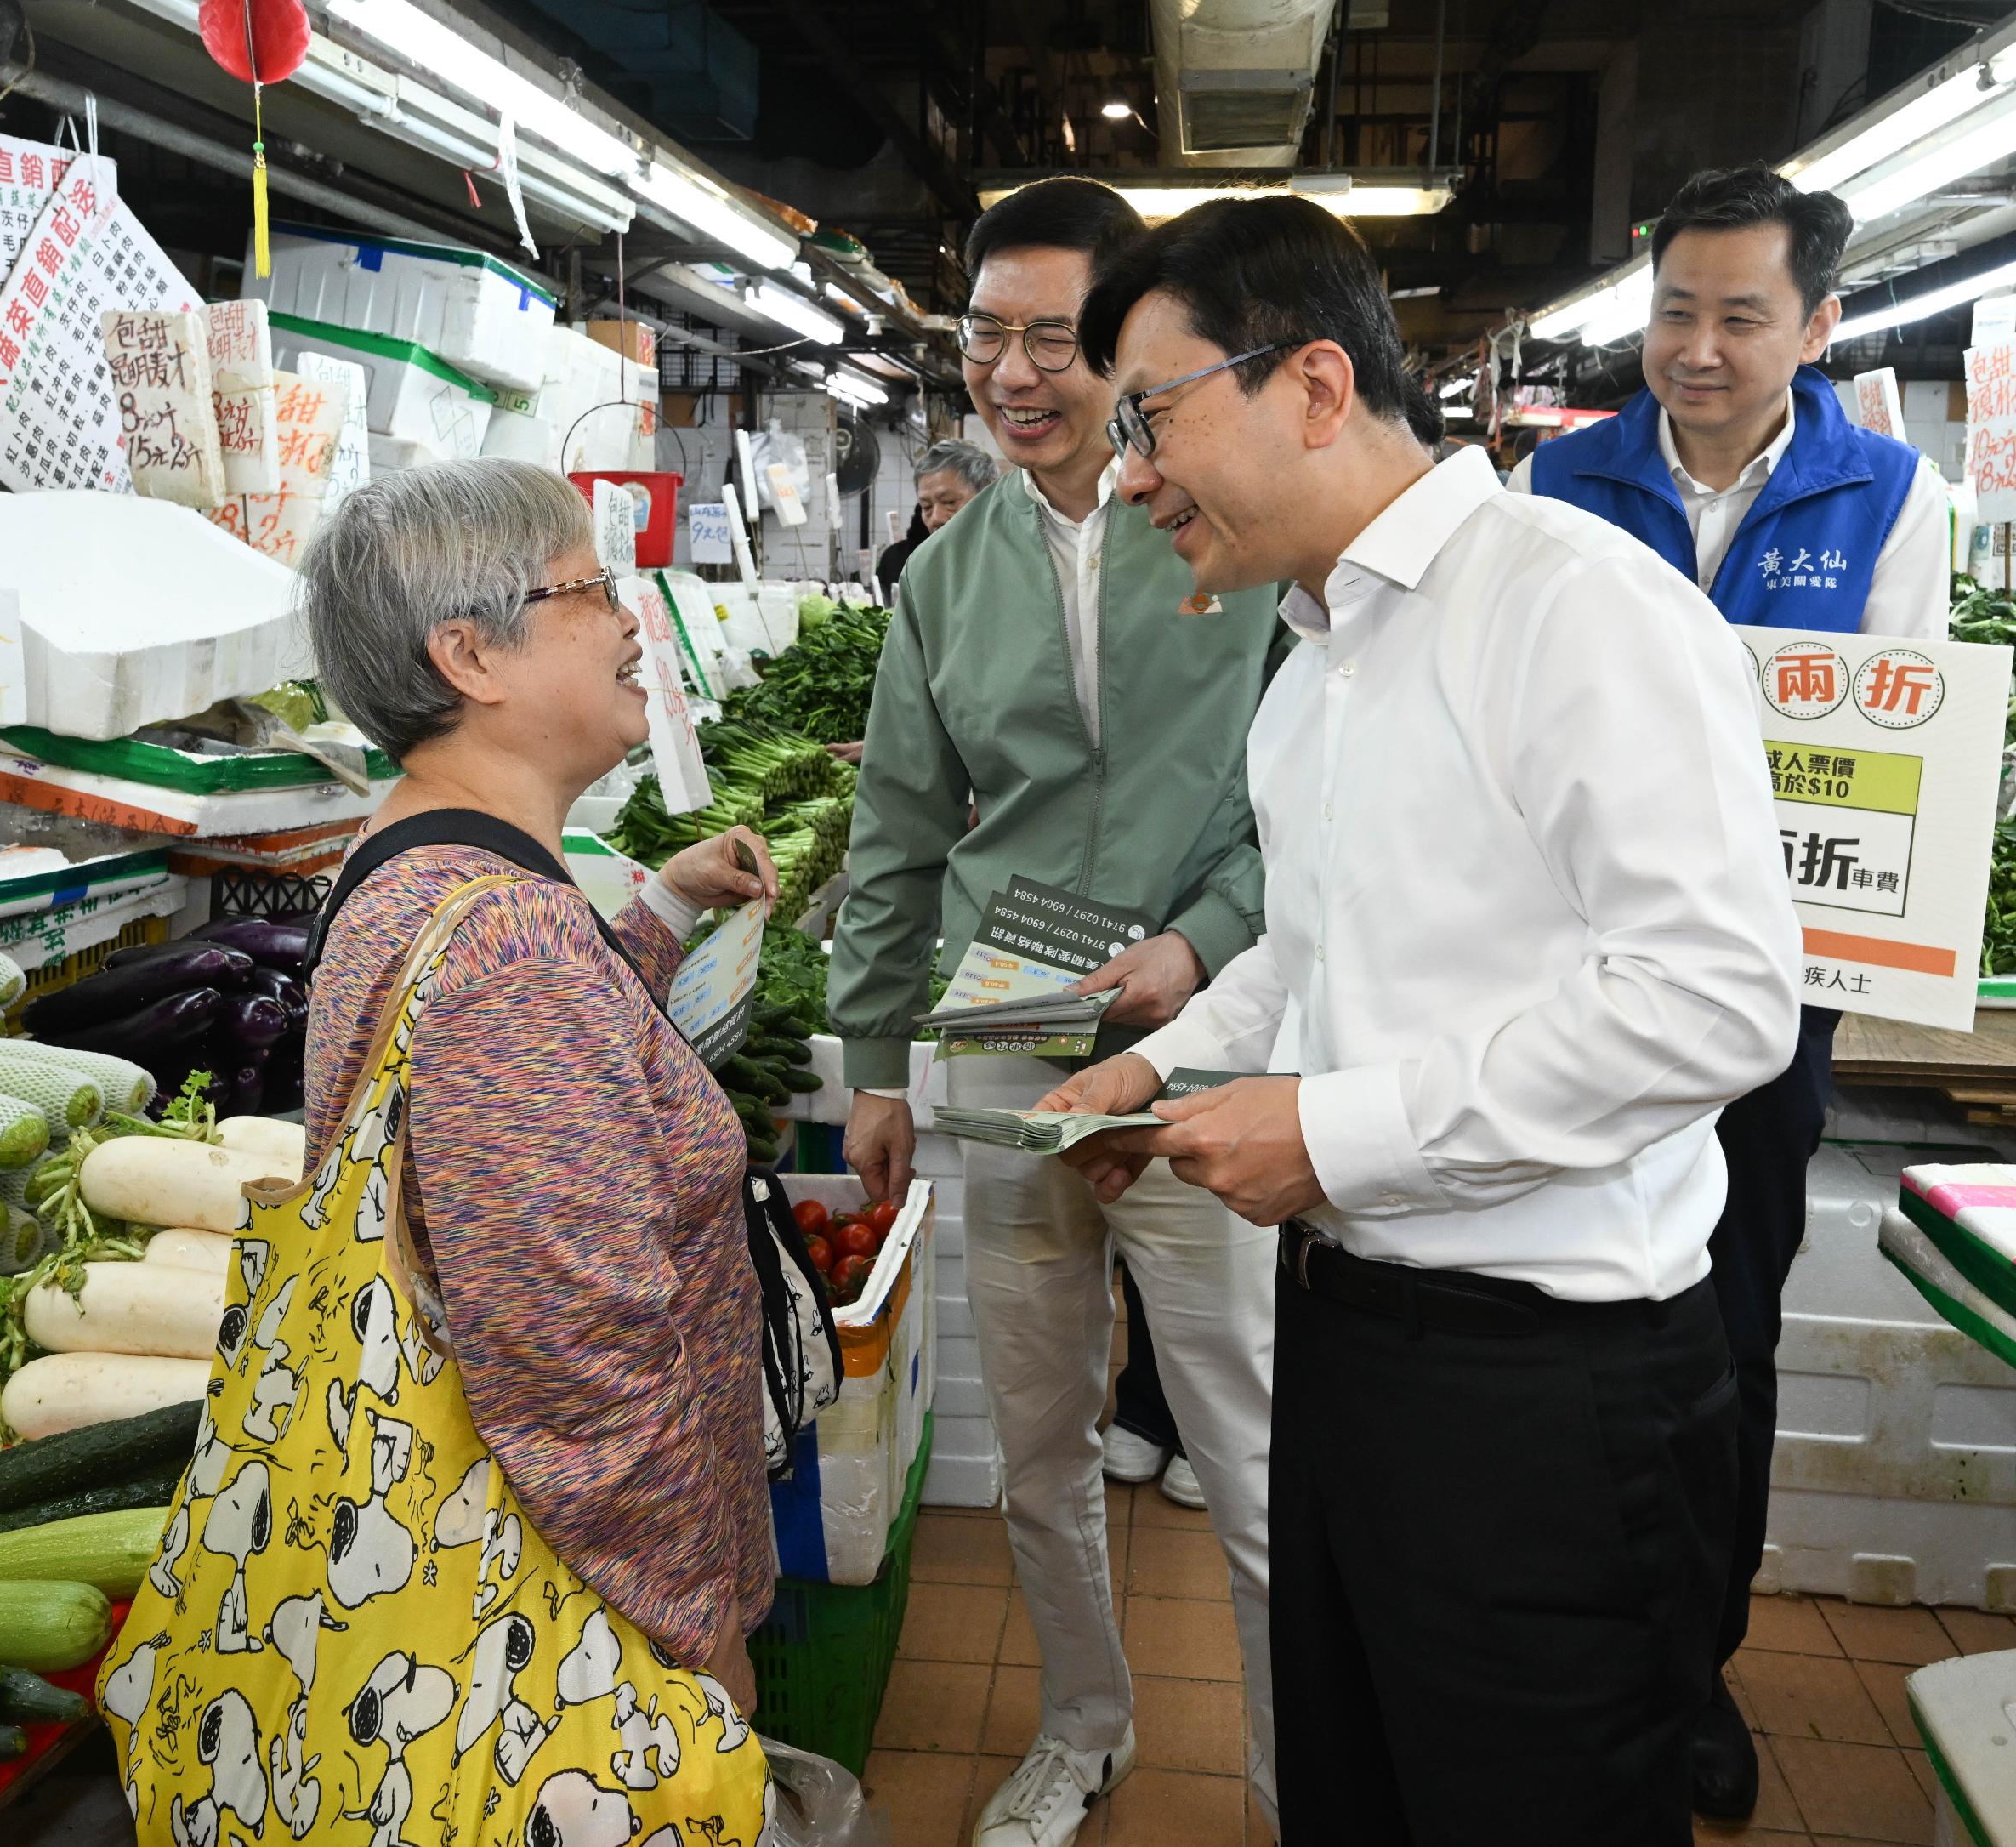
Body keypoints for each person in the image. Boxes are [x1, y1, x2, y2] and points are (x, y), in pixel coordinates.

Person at [1042, 196, 1803, 1847]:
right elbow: (1314, 954)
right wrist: (1161, 1063)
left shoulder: (1567, 606)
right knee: (1359, 1796)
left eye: (1152, 418)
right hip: (1351, 1345)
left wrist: (1326, 1128)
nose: (1130, 474)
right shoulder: (1314, 660)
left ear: (1312, 383)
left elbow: (1715, 994)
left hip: (1543, 1395)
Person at [832, 176, 1284, 1846]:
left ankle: (1283, 1765)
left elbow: (1292, 798)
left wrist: (1206, 936)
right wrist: (876, 1061)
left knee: (1242, 1444)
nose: (1012, 374)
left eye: (1051, 338)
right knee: (1037, 1442)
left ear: (1128, 347)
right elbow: (893, 828)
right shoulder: (945, 578)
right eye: (983, 338)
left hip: (1202, 1035)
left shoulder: (1235, 540)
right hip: (1009, 1017)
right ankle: (1081, 1727)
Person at [230, 463, 777, 1825]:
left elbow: (537, 1093)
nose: (632, 620)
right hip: (566, 1626)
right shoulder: (509, 944)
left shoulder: (426, 858)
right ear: (470, 653)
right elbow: (576, 1355)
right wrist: (695, 1625)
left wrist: (654, 906)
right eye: (590, 589)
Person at [1520, 165, 1951, 1823]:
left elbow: (1891, 772)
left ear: (1818, 324)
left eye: (1736, 316)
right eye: (1671, 311)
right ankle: (1573, 1648)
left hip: (1768, 997)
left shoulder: (1886, 498)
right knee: (1570, 1304)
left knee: (1728, 1329)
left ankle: (1691, 1665)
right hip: (1576, 974)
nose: (1693, 349)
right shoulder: (1562, 478)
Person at [877, 438, 996, 599]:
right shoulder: (914, 567)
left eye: (949, 502)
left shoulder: (1017, 560)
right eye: (926, 507)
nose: (936, 519)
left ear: (988, 495)